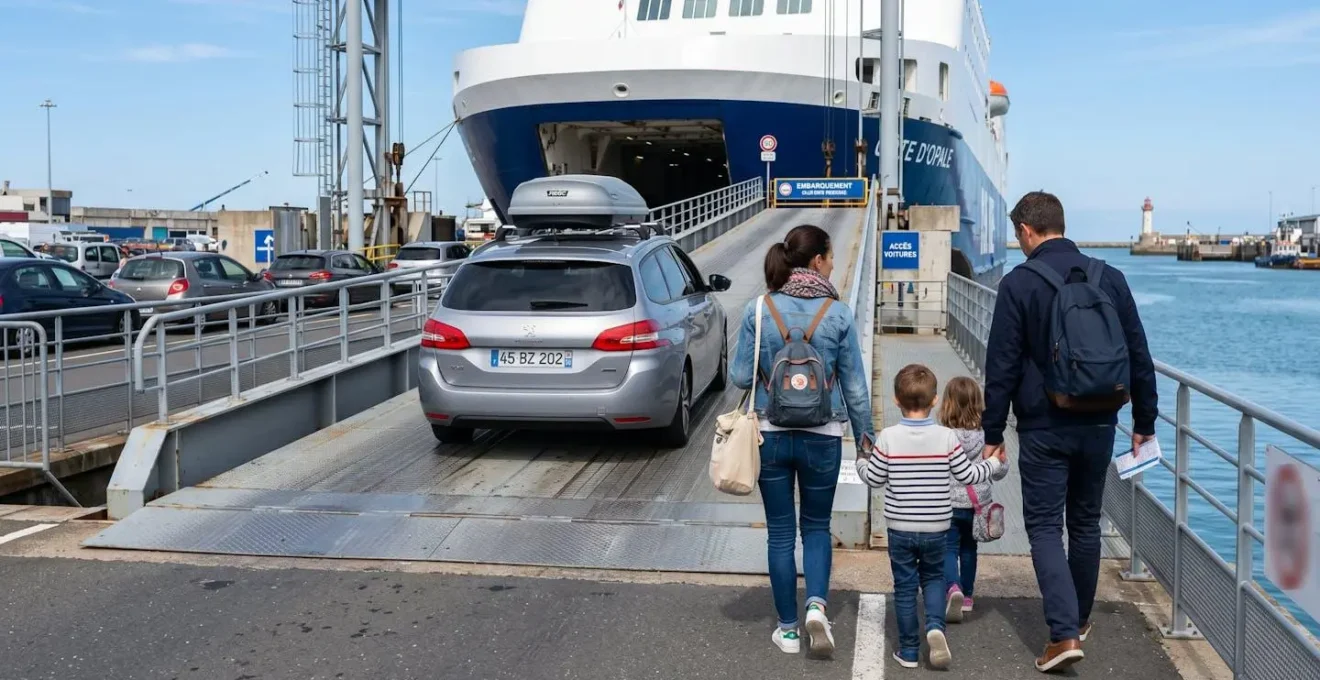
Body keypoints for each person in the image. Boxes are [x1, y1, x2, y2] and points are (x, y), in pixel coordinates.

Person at [982, 191, 1158, 673]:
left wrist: (992, 430)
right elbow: (1138, 355)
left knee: (1042, 527)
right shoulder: (1110, 277)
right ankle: (1078, 621)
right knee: (1084, 523)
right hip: (1102, 419)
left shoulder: (1019, 284)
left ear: (1026, 230)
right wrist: (1145, 422)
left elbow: (1001, 364)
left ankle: (1062, 636)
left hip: (1043, 424)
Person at [730, 223, 875, 659]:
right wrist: (867, 439)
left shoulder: (759, 309)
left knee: (779, 533)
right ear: (817, 261)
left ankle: (788, 630)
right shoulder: (839, 314)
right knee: (815, 527)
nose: (833, 264)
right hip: (824, 436)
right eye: (830, 257)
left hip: (769, 434)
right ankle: (816, 606)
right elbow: (855, 389)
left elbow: (738, 376)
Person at [855, 364, 1005, 670]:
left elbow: (874, 478)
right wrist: (991, 463)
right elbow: (967, 474)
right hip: (937, 525)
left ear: (896, 400)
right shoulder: (947, 438)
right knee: (934, 579)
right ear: (934, 400)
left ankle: (909, 650)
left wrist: (861, 459)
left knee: (906, 587)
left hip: (900, 527)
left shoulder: (887, 438)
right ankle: (936, 627)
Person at [938, 376, 1008, 623]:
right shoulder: (988, 436)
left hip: (947, 503)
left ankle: (952, 587)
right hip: (977, 505)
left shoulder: (942, 436)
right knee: (969, 549)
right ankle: (967, 596)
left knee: (948, 548)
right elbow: (999, 471)